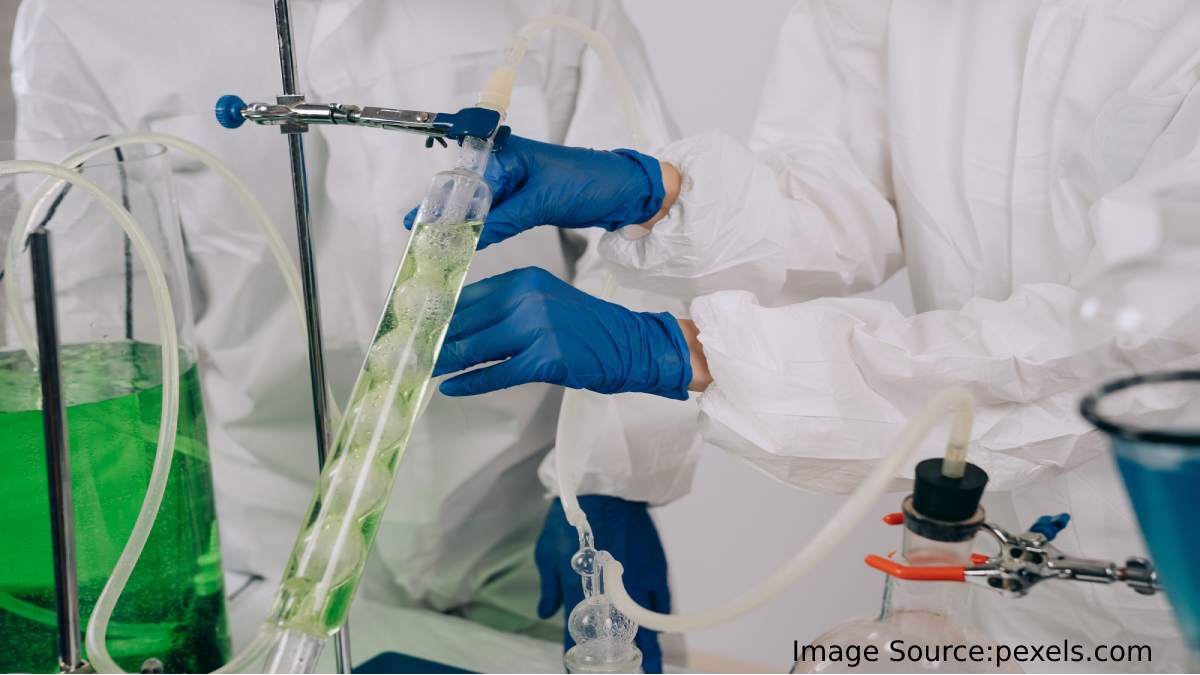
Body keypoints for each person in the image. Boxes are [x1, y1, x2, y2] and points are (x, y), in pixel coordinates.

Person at [430, 1, 1200, 671]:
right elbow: (835, 191)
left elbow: (1127, 347)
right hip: (1004, 568)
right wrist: (654, 192)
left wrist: (680, 352)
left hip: (1173, 582)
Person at [11, 0, 696, 670]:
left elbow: (653, 234)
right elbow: (93, 324)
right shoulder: (80, 17)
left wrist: (612, 475)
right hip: (275, 540)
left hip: (531, 520)